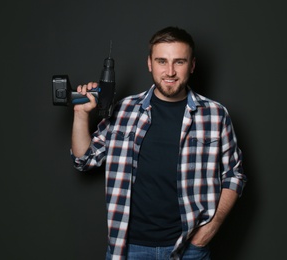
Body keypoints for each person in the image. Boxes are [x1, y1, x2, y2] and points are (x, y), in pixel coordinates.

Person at [71, 26, 247, 260]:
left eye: (179, 62)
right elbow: (85, 159)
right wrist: (81, 114)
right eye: (162, 61)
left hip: (189, 249)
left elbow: (234, 175)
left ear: (192, 65)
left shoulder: (215, 115)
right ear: (150, 64)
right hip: (128, 248)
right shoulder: (123, 110)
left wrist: (206, 234)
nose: (170, 71)